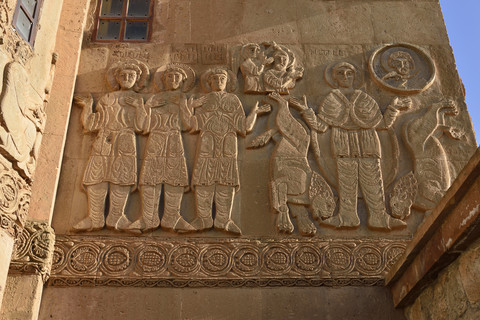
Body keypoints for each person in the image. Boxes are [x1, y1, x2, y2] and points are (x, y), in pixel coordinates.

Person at [290, 62, 410, 230]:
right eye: (341, 73)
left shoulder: (364, 98)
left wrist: (394, 108)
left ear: (355, 77)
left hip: (367, 141)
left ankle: (380, 217)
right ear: (335, 78)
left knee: (373, 180)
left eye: (349, 73)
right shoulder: (331, 99)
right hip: (342, 143)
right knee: (346, 182)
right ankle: (347, 217)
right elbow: (321, 126)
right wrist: (306, 111)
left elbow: (382, 124)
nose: (345, 77)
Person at [182, 68, 269, 235]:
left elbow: (243, 126)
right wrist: (188, 108)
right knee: (203, 180)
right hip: (208, 144)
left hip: (227, 145)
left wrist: (254, 113)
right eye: (215, 79)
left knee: (226, 180)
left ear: (227, 82)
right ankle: (203, 218)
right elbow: (193, 124)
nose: (219, 81)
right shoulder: (204, 100)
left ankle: (223, 220)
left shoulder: (233, 99)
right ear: (209, 83)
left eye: (222, 79)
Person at [73, 61, 147, 232]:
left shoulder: (136, 99)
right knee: (96, 177)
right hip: (104, 139)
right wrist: (87, 107)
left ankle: (117, 217)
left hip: (126, 140)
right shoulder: (107, 99)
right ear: (117, 78)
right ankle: (95, 217)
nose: (127, 78)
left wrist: (139, 107)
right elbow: (92, 125)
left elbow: (142, 126)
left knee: (121, 178)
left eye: (131, 76)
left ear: (137, 79)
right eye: (123, 75)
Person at [128, 64, 195, 233]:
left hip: (173, 138)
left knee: (175, 177)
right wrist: (142, 108)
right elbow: (144, 125)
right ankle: (148, 218)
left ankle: (172, 217)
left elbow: (188, 125)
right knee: (150, 176)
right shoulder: (154, 99)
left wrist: (185, 106)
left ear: (182, 81)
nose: (173, 80)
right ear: (163, 80)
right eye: (169, 77)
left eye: (176, 77)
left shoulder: (181, 98)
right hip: (156, 138)